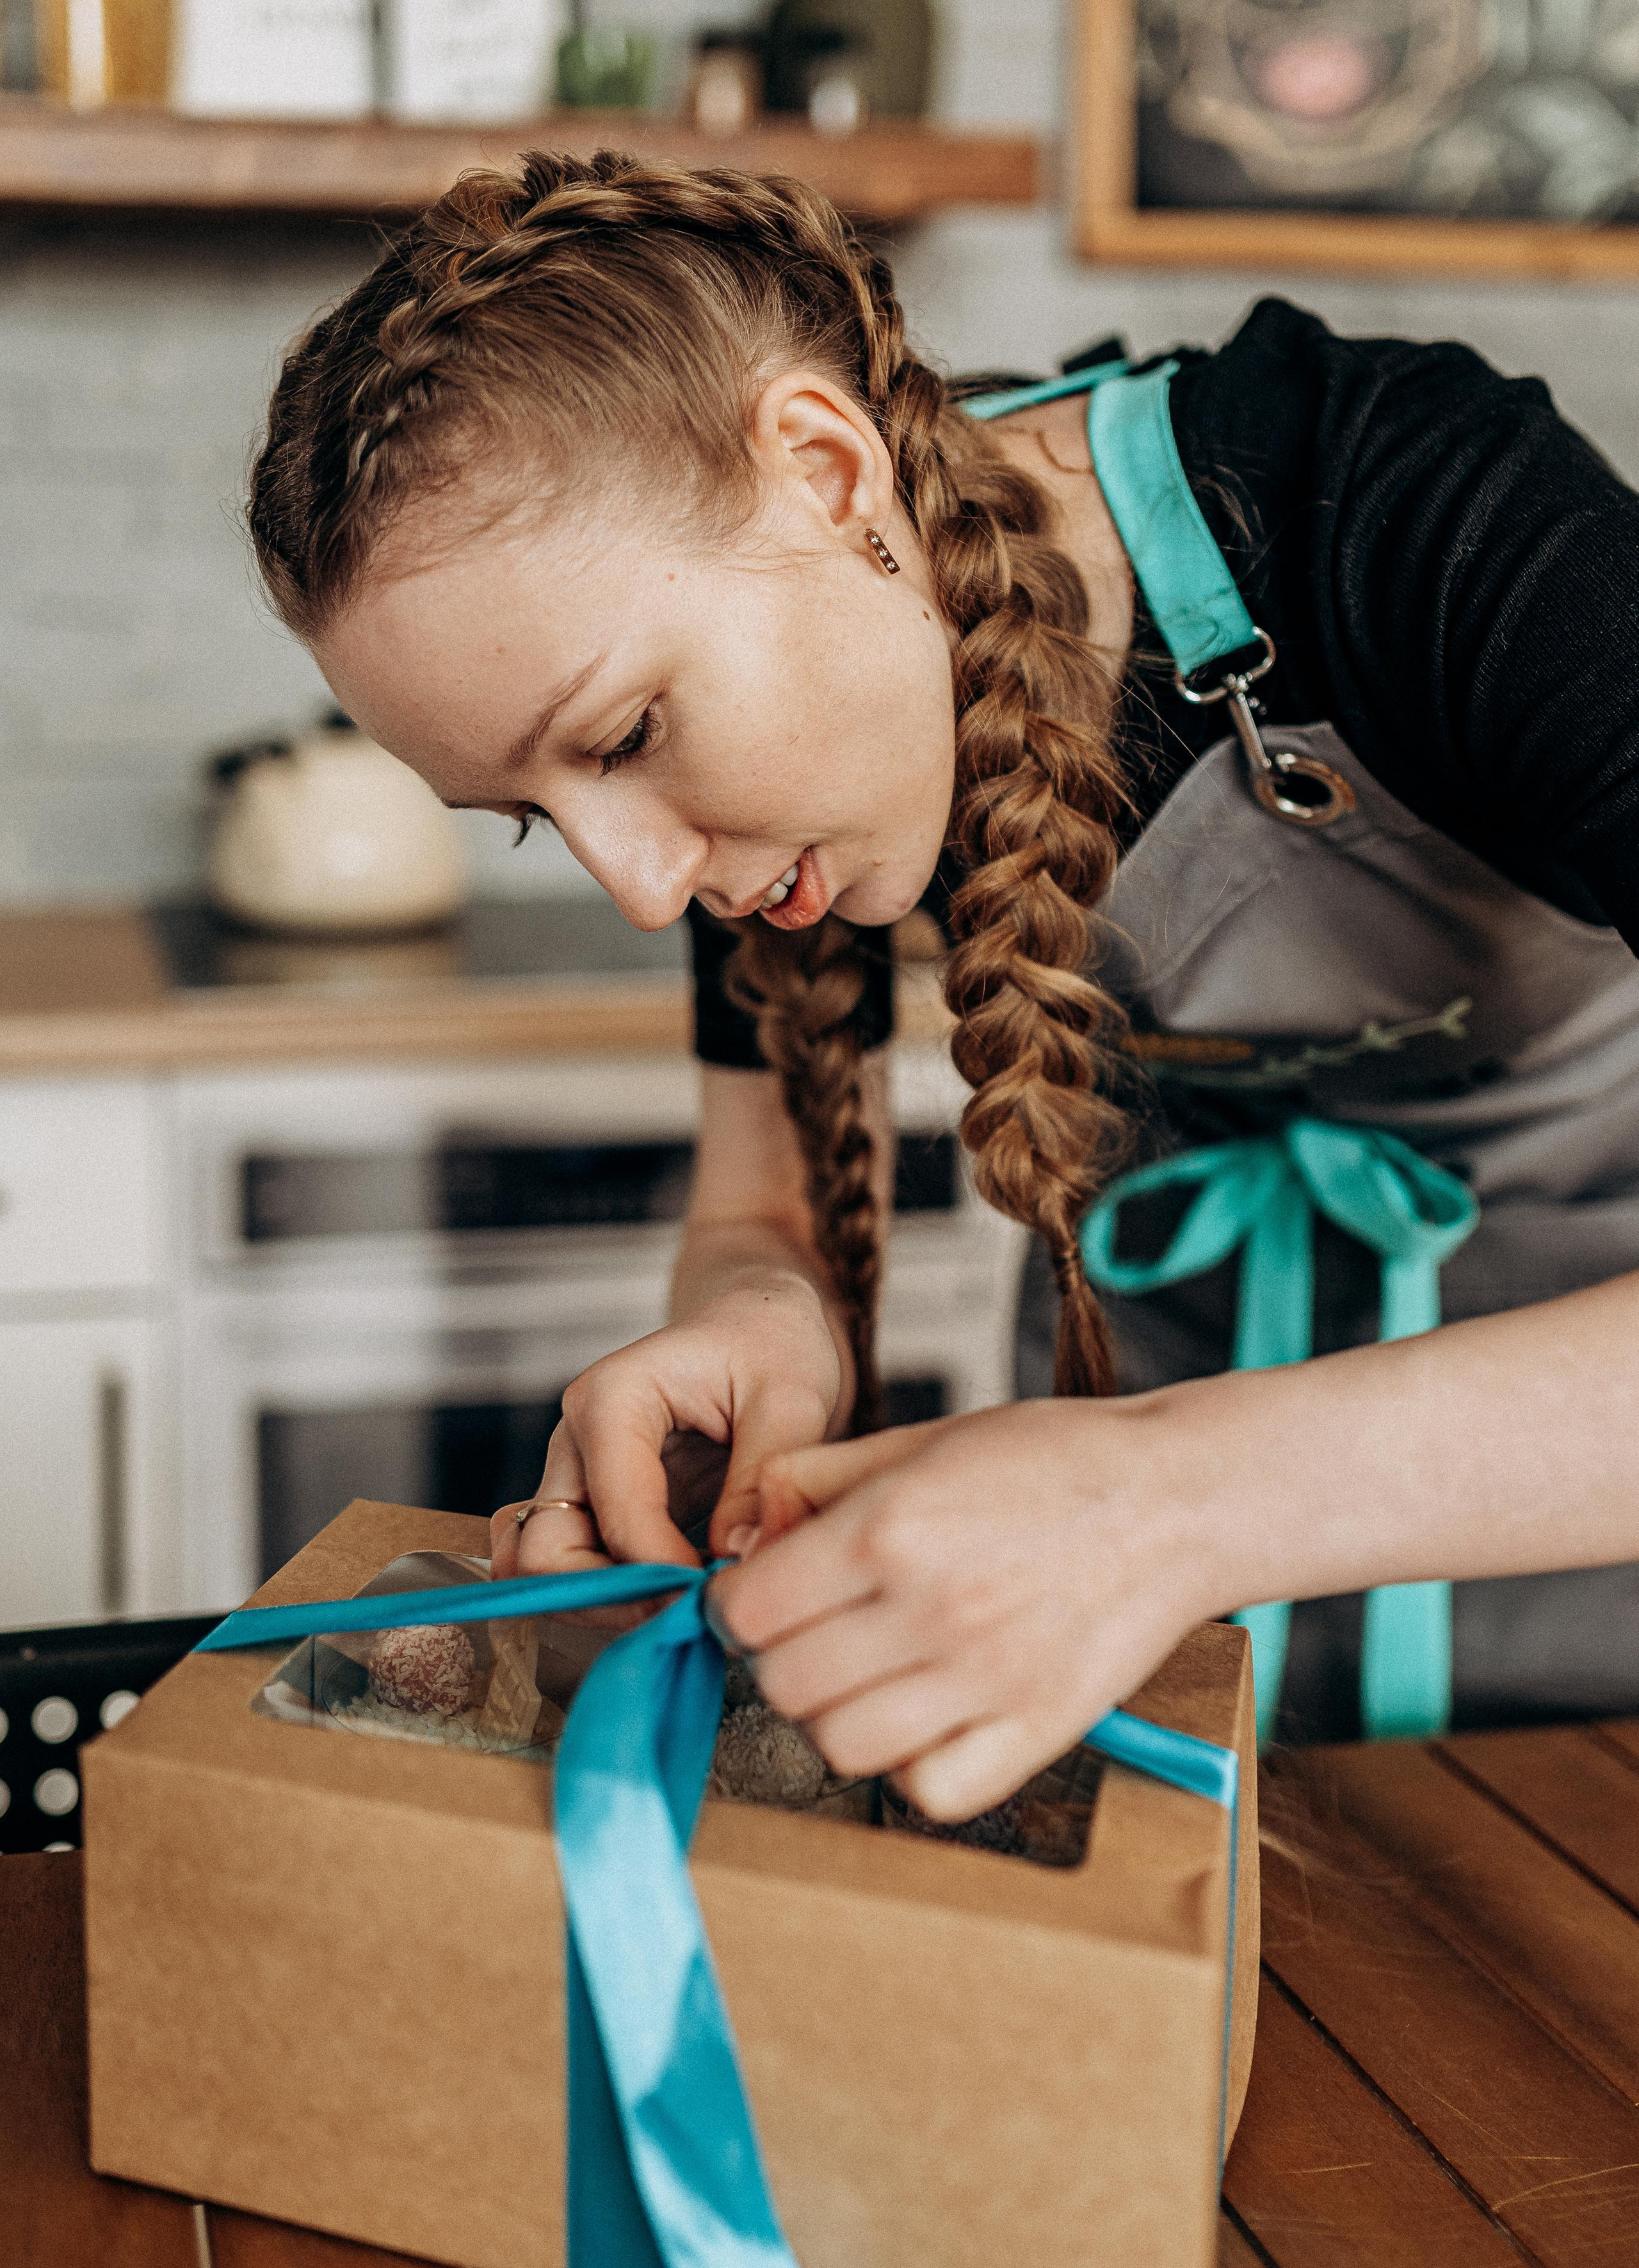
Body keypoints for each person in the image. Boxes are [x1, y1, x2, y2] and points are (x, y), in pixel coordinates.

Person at [248, 148, 1639, 1815]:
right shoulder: (773, 755)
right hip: (1211, 1642)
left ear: (829, 474)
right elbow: (760, 1211)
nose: (638, 882)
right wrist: (758, 1323)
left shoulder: (1414, 514)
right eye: (536, 820)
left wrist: (1175, 1503)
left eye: (620, 739)